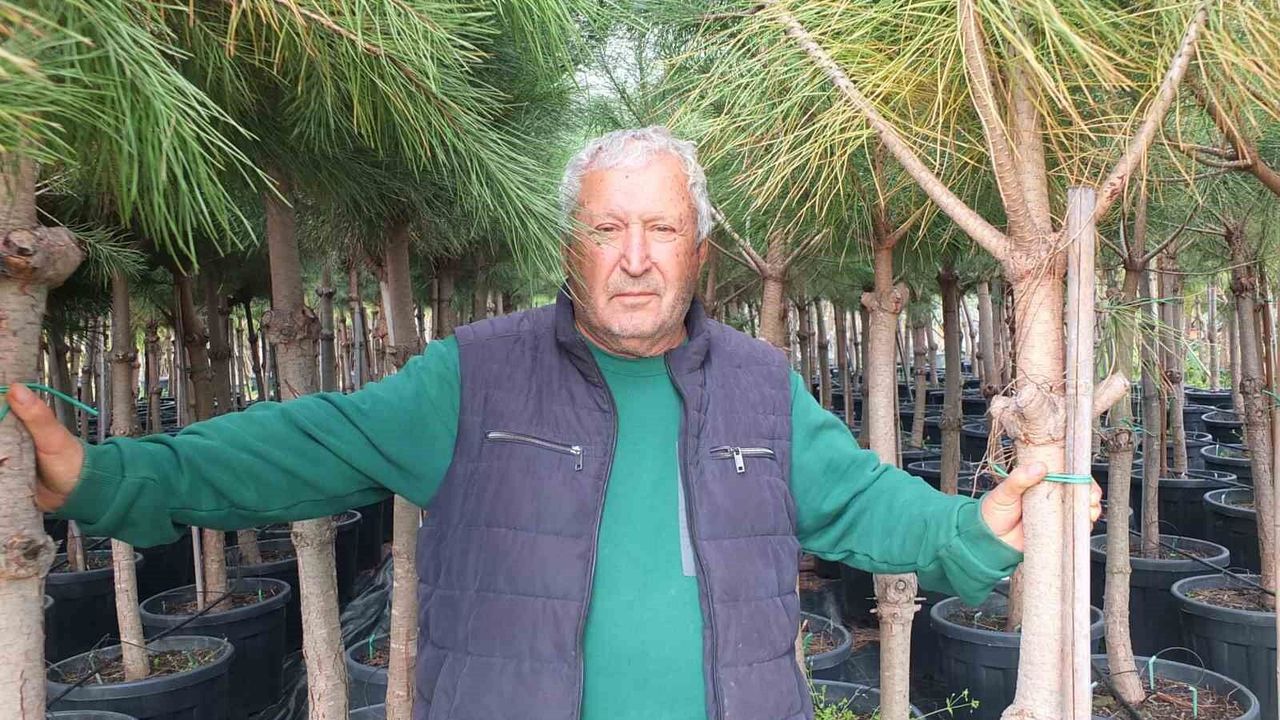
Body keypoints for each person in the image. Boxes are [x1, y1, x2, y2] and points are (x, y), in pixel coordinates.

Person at [11, 126, 1100, 720]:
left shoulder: (760, 385)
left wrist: (977, 527)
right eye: (606, 229)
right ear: (569, 248)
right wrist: (107, 479)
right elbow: (304, 445)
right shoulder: (475, 376)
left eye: (660, 229)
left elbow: (865, 504)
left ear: (698, 250)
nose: (634, 258)